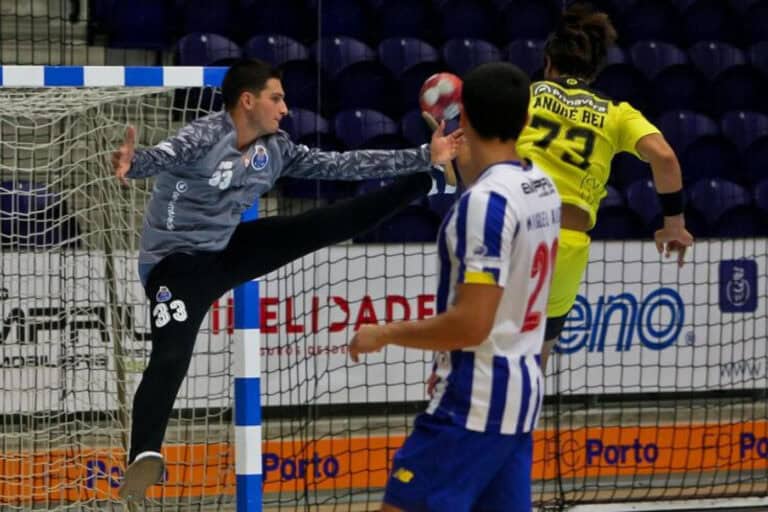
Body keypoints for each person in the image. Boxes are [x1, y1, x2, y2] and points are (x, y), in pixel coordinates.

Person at [112, 58, 460, 502]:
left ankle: (427, 182)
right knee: (173, 351)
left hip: (227, 250)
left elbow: (343, 165)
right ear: (247, 100)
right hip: (175, 266)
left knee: (325, 224)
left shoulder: (275, 149)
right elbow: (164, 156)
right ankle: (144, 452)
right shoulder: (205, 136)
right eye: (276, 97)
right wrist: (133, 162)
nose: (285, 108)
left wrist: (421, 156)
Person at [349, 62, 561, 512]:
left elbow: (471, 324)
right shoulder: (541, 186)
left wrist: (383, 333)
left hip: (475, 397)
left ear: (464, 118)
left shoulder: (484, 204)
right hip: (520, 393)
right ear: (525, 121)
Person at [514, 5, 694, 371]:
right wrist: (673, 224)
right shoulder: (616, 112)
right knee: (534, 361)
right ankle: (518, 424)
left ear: (548, 62)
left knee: (486, 347)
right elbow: (665, 158)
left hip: (515, 226)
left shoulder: (526, 94)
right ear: (594, 70)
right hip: (568, 243)